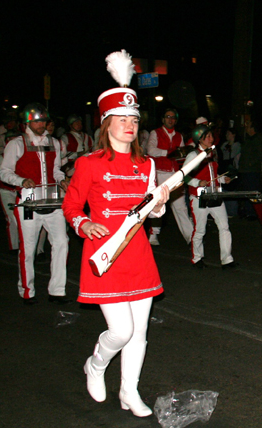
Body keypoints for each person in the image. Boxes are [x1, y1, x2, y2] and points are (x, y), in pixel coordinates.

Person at [62, 52, 169, 417]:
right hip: (104, 254)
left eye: (133, 119)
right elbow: (71, 207)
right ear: (106, 123)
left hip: (138, 253)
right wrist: (84, 224)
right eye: (120, 118)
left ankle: (129, 392)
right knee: (121, 331)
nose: (128, 124)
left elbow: (153, 212)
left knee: (140, 334)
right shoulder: (88, 163)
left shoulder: (147, 163)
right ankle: (96, 363)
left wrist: (159, 203)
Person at [0, 103, 70, 305]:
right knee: (28, 248)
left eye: (44, 121)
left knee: (62, 242)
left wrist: (61, 179)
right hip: (29, 202)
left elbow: (56, 169)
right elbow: (4, 171)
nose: (42, 125)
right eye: (37, 121)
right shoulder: (16, 144)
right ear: (28, 123)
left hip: (52, 201)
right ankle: (27, 290)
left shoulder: (54, 143)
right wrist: (20, 181)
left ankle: (57, 290)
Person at [184, 124, 235, 270]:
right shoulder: (193, 155)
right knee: (200, 230)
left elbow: (213, 175)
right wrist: (198, 182)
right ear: (199, 139)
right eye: (207, 137)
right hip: (199, 197)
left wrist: (221, 179)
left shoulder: (213, 153)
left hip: (214, 194)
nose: (211, 139)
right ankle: (197, 258)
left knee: (224, 226)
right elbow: (184, 177)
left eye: (211, 136)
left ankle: (227, 259)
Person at [145, 108, 193, 245]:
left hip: (175, 173)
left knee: (180, 206)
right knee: (158, 204)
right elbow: (151, 150)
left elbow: (181, 154)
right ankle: (154, 234)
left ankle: (191, 237)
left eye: (173, 117)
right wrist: (170, 152)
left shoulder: (179, 135)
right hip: (159, 172)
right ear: (163, 119)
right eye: (168, 117)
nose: (170, 119)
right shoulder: (155, 133)